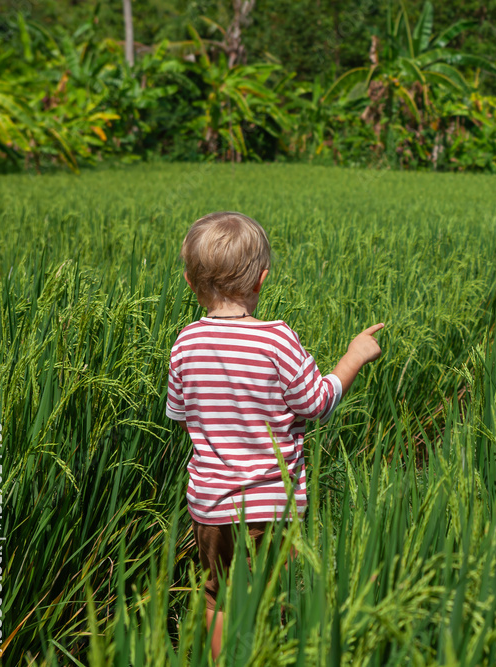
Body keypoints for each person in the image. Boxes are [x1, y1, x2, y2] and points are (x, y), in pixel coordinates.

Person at [165, 211, 383, 660]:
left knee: (217, 595)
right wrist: (354, 357)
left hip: (210, 506)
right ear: (262, 279)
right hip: (271, 507)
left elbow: (183, 418)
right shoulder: (277, 340)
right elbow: (316, 404)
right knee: (271, 593)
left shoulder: (185, 342)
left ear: (190, 282)